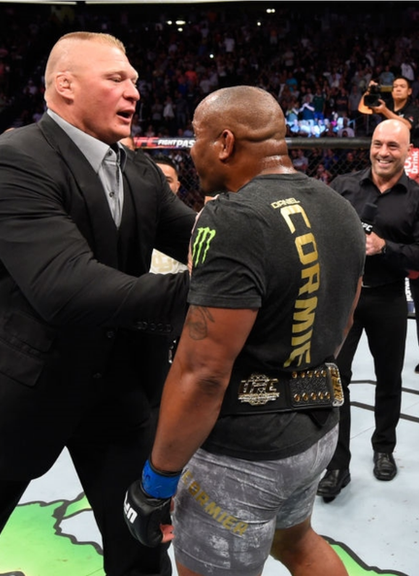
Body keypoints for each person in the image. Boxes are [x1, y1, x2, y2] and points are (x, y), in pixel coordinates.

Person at [0, 31, 195, 576]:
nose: (134, 91)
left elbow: (198, 240)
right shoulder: (14, 160)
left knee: (141, 547)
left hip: (116, 390)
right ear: (64, 85)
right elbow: (67, 286)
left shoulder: (138, 170)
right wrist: (213, 296)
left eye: (135, 80)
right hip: (16, 384)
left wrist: (262, 236)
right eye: (117, 78)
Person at [123, 85, 365, 576]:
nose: (191, 151)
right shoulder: (337, 205)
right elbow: (343, 320)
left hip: (242, 452)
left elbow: (203, 372)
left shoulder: (231, 218)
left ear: (226, 143)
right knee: (297, 544)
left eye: (196, 137)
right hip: (316, 425)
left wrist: (157, 480)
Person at [318, 118, 419, 501]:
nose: (383, 152)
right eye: (378, 143)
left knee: (389, 378)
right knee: (334, 381)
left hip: (389, 297)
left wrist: (385, 248)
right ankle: (336, 465)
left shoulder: (416, 197)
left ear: (407, 152)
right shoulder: (343, 187)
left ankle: (384, 449)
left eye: (393, 146)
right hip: (344, 298)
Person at [150, 156, 189, 275]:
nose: (160, 185)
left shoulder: (195, 224)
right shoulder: (124, 220)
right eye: (154, 178)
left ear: (178, 186)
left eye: (167, 180)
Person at [358, 76, 419, 144]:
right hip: (386, 145)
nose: (398, 89)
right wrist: (369, 90)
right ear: (391, 90)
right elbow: (362, 109)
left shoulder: (413, 109)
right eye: (395, 87)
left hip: (405, 147)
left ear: (409, 91)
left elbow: (407, 125)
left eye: (402, 86)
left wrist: (385, 111)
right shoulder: (386, 104)